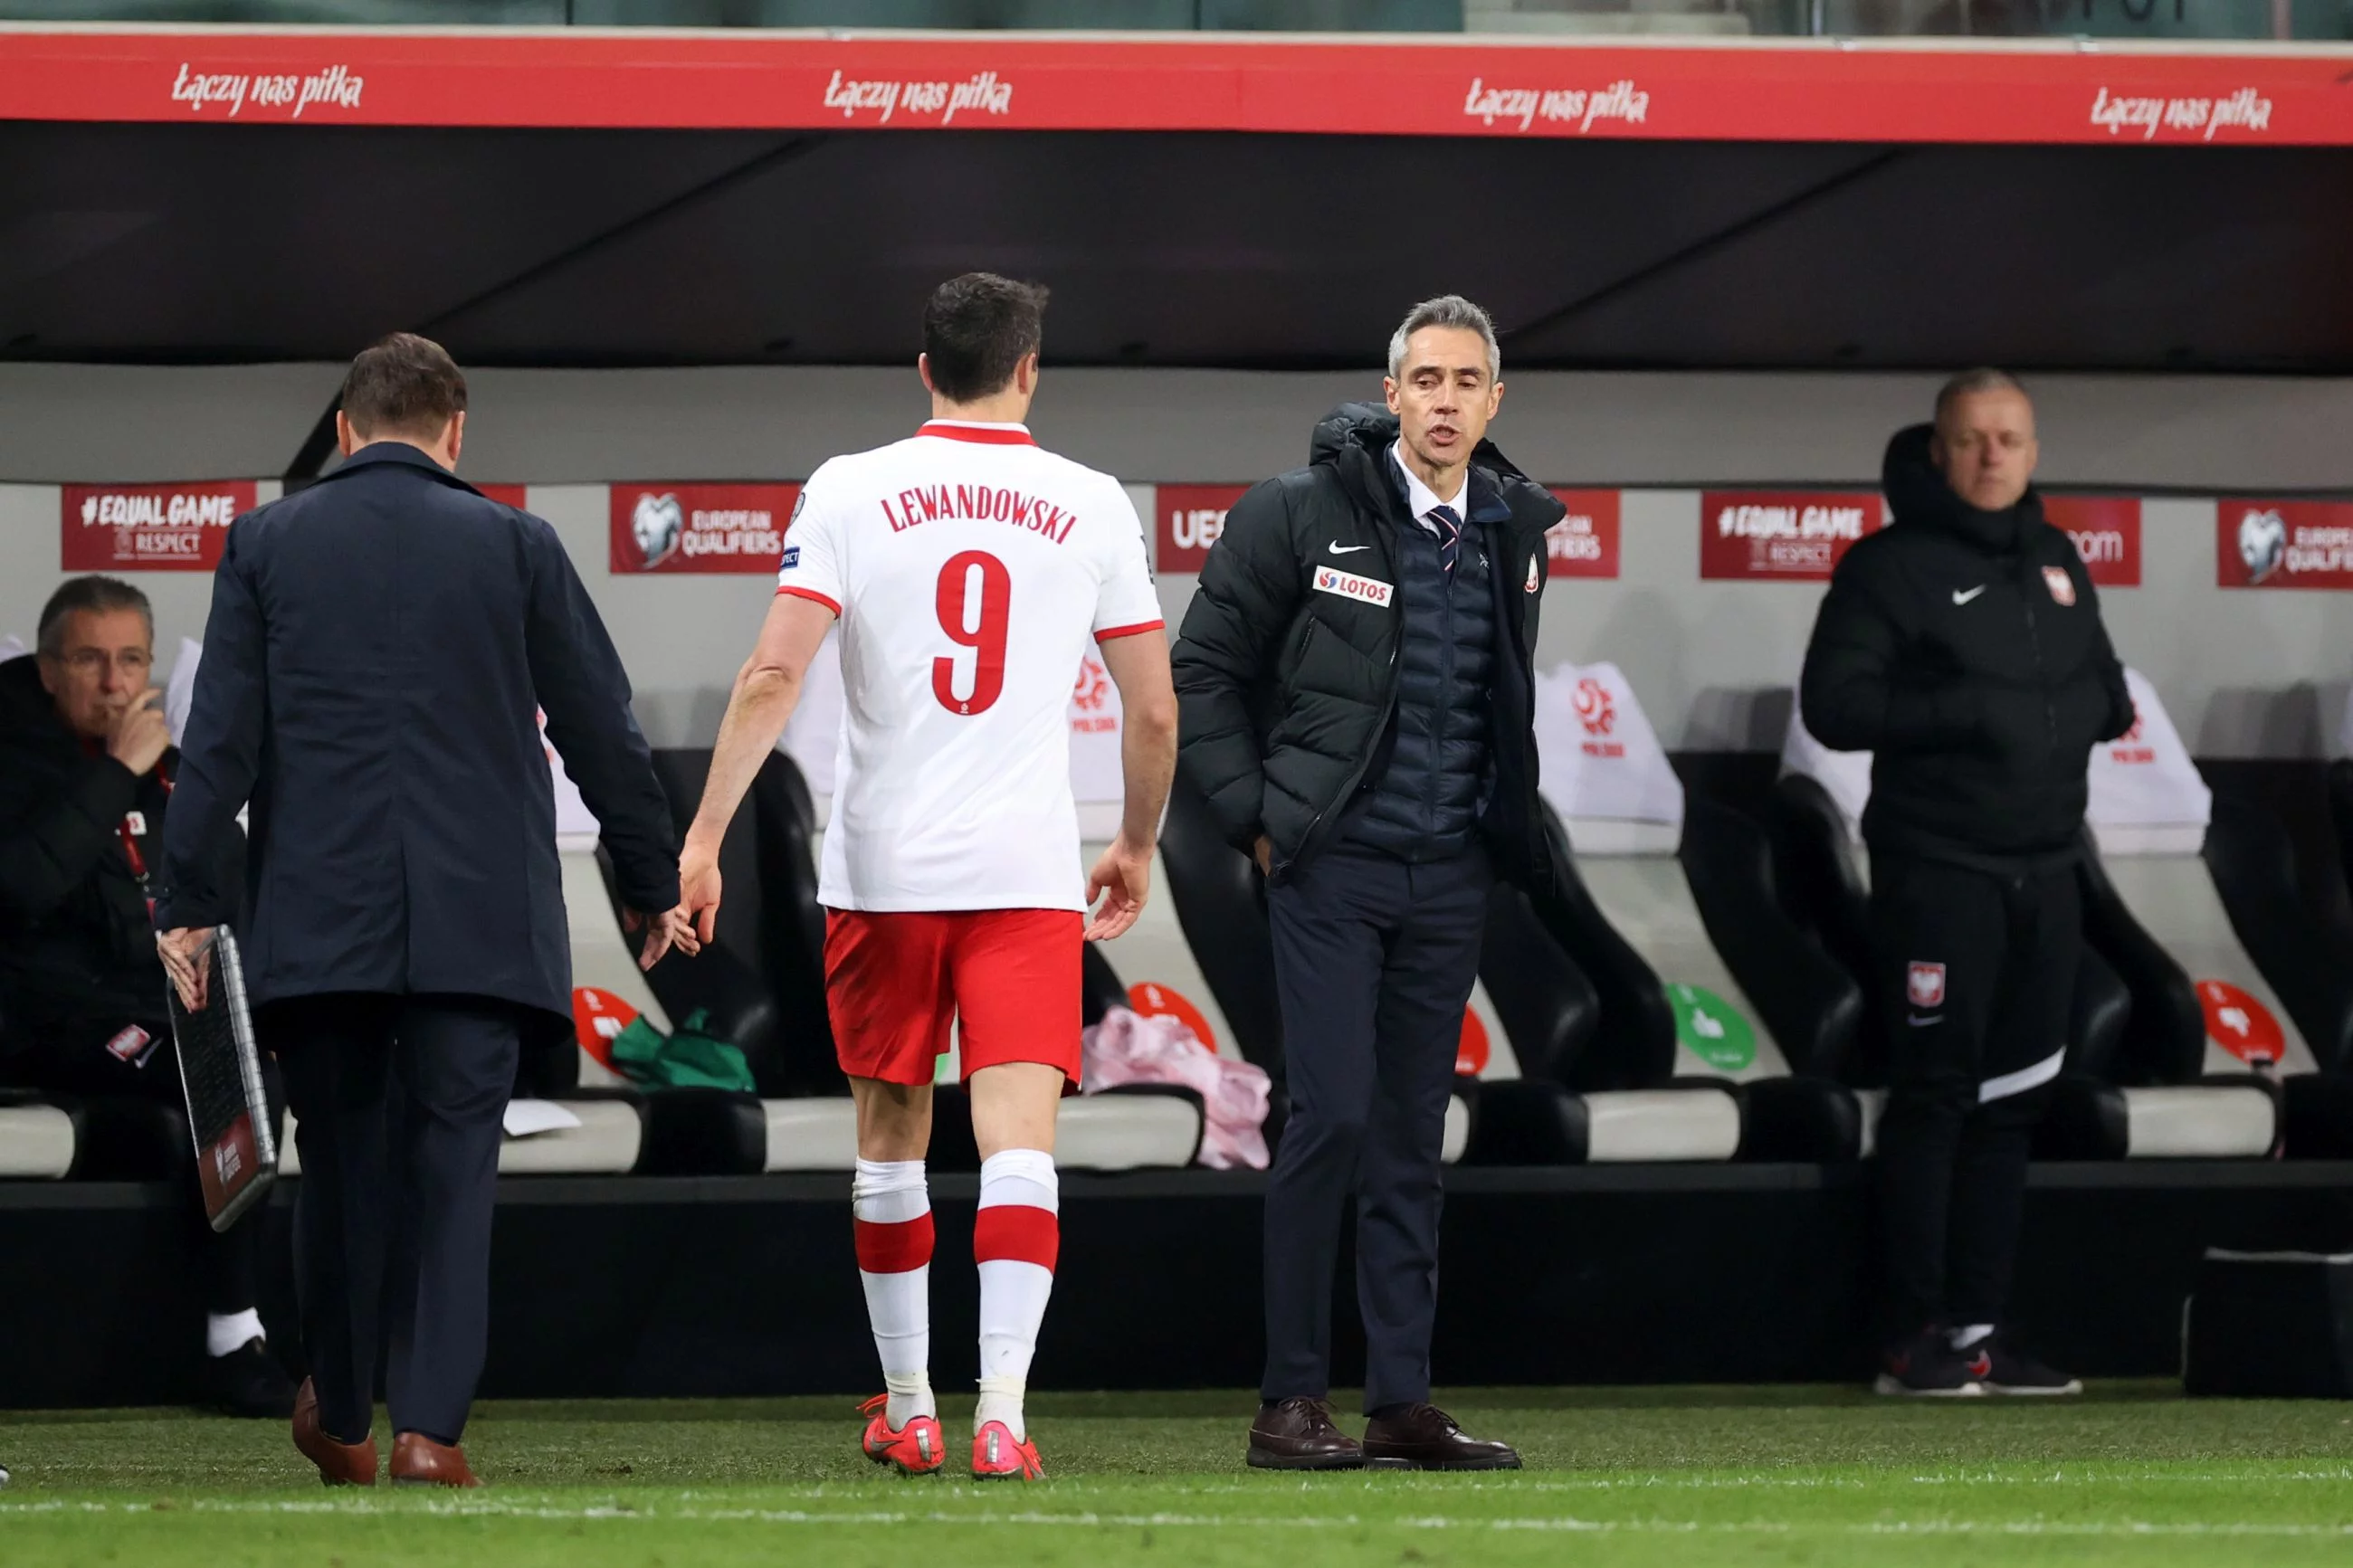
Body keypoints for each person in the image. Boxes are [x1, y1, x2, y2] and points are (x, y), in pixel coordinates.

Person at [154, 333, 697, 1487]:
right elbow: (601, 727)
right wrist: (650, 882)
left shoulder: (264, 541)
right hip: (482, 919)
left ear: (345, 429)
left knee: (341, 1163)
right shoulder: (519, 544)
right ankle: (428, 1430)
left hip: (318, 915)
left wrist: (187, 899)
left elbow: (221, 744)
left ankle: (341, 1414)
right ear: (457, 433)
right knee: (455, 1166)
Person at [677, 273, 1176, 1482]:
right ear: (1030, 369)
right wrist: (1139, 842)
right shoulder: (1092, 501)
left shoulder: (847, 487)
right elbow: (1155, 707)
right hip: (1022, 875)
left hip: (883, 869)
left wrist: (703, 838)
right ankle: (1003, 1412)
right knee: (1020, 1145)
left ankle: (911, 1407)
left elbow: (768, 679)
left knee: (892, 1142)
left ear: (922, 370)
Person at [1171, 296, 1561, 1471]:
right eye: (1425, 379)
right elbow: (1202, 667)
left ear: (1496, 402)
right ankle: (1290, 1402)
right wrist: (1256, 820)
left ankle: (1401, 1400)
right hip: (1331, 867)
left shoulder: (1514, 527)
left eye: (1466, 381)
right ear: (1392, 394)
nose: (1445, 400)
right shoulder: (1299, 511)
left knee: (1408, 1133)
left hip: (1451, 874)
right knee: (1329, 1116)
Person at [1800, 368, 2132, 1399]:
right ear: (1935, 451)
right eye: (1971, 438)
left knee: (2011, 1103)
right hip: (1937, 871)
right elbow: (1833, 704)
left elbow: (2107, 689)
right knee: (1935, 1097)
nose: (1992, 455)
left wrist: (2090, 715)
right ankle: (1911, 1337)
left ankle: (1982, 1329)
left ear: (2033, 453)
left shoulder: (2056, 560)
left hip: (2047, 873)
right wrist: (1962, 716)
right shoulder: (1886, 568)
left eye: (2010, 438)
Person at [0, 577, 293, 1418]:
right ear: (49, 669)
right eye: (90, 660)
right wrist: (116, 771)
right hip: (43, 1019)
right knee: (219, 1074)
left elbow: (231, 895)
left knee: (273, 1056)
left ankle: (336, 1325)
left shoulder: (171, 773)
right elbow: (23, 887)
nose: (115, 683)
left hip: (149, 1008)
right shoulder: (15, 757)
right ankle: (232, 1337)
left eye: (131, 659)